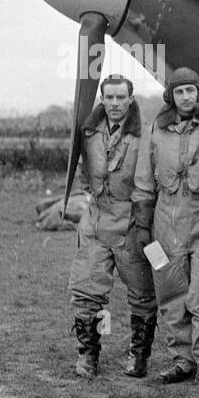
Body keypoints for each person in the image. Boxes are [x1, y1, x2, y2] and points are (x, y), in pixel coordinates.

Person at [132, 66, 199, 388]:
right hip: (164, 227)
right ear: (170, 96)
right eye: (179, 92)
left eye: (191, 91)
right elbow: (144, 180)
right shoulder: (156, 130)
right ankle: (182, 359)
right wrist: (143, 225)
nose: (186, 97)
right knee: (171, 295)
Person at [68, 74, 156, 379]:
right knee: (85, 291)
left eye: (121, 97)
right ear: (102, 99)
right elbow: (82, 170)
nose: (115, 103)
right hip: (95, 220)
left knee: (143, 294)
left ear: (131, 100)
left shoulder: (145, 135)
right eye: (110, 97)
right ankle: (88, 356)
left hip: (130, 222)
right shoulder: (89, 131)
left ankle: (139, 355)